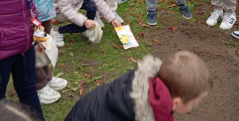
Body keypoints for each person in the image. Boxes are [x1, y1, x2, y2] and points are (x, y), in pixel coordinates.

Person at [65, 51, 212, 121]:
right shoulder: (133, 113)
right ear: (177, 102)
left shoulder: (143, 87)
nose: (195, 106)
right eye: (195, 103)